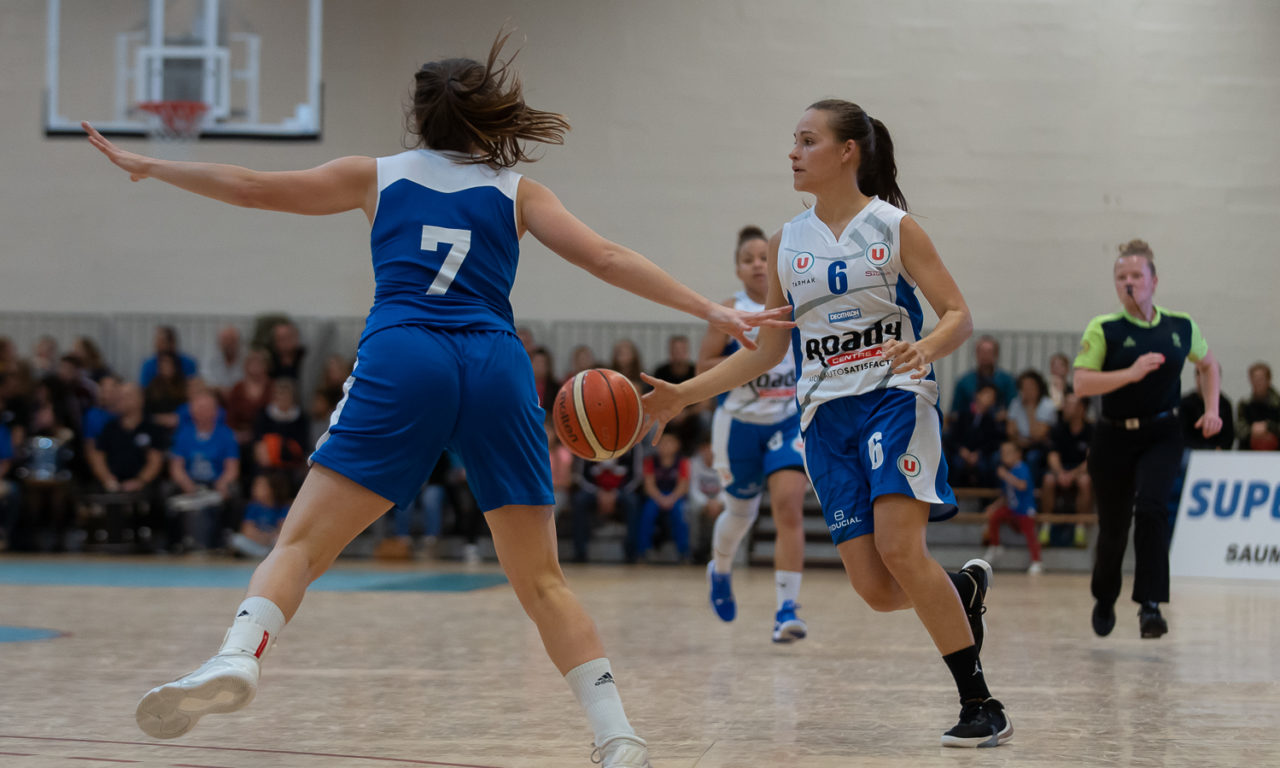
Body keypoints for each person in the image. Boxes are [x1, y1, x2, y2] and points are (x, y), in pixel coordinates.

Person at [85, 30, 788, 767]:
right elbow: (608, 258)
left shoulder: (377, 174)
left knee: (299, 545)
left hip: (406, 352)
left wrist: (152, 164)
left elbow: (255, 187)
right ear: (485, 116)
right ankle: (617, 735)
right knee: (542, 580)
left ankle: (238, 653)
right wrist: (712, 311)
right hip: (494, 362)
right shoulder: (518, 190)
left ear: (420, 116)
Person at [643, 99, 1010, 747]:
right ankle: (961, 590)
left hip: (895, 397)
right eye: (793, 140)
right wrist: (684, 395)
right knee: (874, 587)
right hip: (824, 417)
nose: (793, 152)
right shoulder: (787, 243)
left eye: (807, 141)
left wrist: (926, 348)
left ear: (848, 152)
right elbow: (765, 351)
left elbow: (958, 314)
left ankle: (981, 702)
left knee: (901, 550)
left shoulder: (895, 228)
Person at [1073, 238, 1222, 640]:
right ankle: (1105, 597)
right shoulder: (1105, 328)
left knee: (1153, 508)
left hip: (1162, 432)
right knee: (1114, 529)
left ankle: (1150, 605)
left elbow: (1208, 366)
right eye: (1121, 276)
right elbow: (1082, 383)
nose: (1129, 282)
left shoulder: (1181, 326)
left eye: (1137, 275)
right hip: (1114, 436)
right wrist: (1131, 373)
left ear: (1154, 280)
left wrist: (1212, 410)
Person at [697, 224, 812, 643]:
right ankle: (720, 569)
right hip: (739, 425)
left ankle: (786, 609)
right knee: (740, 513)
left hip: (785, 422)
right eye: (749, 259)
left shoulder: (797, 305)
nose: (758, 264)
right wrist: (745, 365)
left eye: (764, 256)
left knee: (788, 506)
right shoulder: (730, 310)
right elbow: (703, 367)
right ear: (738, 269)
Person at [982, 441, 1042, 574]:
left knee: (1031, 533)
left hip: (1025, 509)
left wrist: (1005, 476)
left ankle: (1037, 561)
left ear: (1017, 454)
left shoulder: (1022, 468)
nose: (1004, 456)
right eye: (1002, 453)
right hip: (1012, 508)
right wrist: (993, 506)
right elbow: (1006, 495)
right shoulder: (1011, 471)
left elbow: (1022, 486)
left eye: (1008, 453)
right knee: (995, 516)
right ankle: (995, 546)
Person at [637, 432, 690, 562]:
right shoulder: (651, 461)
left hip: (675, 496)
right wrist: (661, 499)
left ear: (677, 445)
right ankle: (643, 551)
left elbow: (683, 485)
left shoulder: (682, 462)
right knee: (647, 514)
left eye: (669, 443)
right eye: (662, 443)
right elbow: (649, 485)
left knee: (680, 515)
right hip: (656, 496)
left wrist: (671, 499)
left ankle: (683, 552)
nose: (665, 446)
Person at [949, 335, 1017, 419]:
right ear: (976, 354)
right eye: (982, 352)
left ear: (996, 354)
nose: (985, 356)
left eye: (989, 352)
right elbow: (955, 411)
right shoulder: (964, 381)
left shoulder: (1007, 380)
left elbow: (1013, 409)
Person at [1236, 362, 1280, 451]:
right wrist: (1252, 430)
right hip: (1248, 452)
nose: (1258, 383)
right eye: (1255, 379)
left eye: (1261, 379)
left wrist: (1268, 426)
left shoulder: (1277, 404)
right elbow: (1238, 430)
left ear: (1269, 380)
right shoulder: (1244, 404)